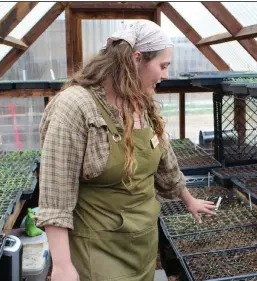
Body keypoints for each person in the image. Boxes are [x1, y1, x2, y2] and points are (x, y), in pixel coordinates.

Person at [36, 20, 217, 281]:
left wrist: (188, 199)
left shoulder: (140, 100)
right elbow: (55, 192)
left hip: (143, 244)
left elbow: (163, 157)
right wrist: (63, 266)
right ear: (136, 59)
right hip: (98, 249)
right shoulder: (76, 106)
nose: (165, 75)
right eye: (162, 66)